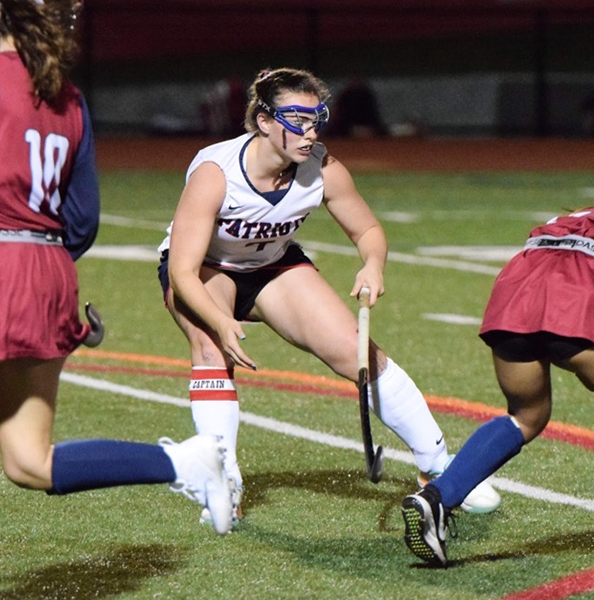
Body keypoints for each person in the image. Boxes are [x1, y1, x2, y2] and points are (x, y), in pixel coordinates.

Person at [0, 2, 233, 599]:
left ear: (0, 12)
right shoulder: (72, 99)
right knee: (28, 461)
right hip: (53, 269)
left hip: (2, 268)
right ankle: (187, 463)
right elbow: (82, 222)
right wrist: (36, 265)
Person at [157, 67, 500, 528]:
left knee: (353, 350)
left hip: (272, 265)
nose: (310, 131)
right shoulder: (215, 173)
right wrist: (220, 323)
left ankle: (438, 465)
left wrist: (372, 264)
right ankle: (222, 482)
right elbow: (182, 271)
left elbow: (368, 230)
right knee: (210, 349)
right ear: (263, 121)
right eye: (296, 119)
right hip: (205, 269)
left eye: (316, 118)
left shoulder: (323, 167)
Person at [402, 159, 594, 577]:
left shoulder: (581, 217)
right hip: (576, 303)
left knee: (527, 414)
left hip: (512, 295)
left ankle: (438, 498)